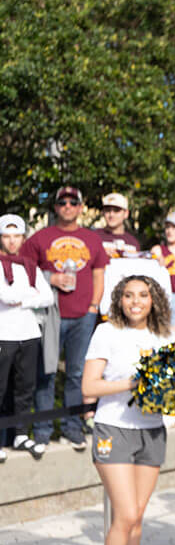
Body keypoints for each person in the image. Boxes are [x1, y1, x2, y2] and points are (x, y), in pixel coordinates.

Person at [80, 275, 172, 545]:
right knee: (125, 515)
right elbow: (89, 386)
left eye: (143, 295)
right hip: (114, 429)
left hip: (152, 430)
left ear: (154, 299)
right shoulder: (107, 332)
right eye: (129, 295)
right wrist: (134, 383)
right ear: (119, 299)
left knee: (136, 519)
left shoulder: (163, 335)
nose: (136, 301)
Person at [19, 186, 108, 452]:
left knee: (77, 374)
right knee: (45, 374)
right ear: (55, 207)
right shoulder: (40, 238)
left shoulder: (91, 239)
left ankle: (73, 427)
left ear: (81, 207)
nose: (68, 207)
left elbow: (98, 275)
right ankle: (43, 430)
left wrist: (94, 307)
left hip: (83, 315)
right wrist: (51, 278)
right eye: (62, 203)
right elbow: (24, 273)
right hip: (50, 316)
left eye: (73, 202)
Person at [0, 215, 53, 461]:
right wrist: (29, 296)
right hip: (4, 335)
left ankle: (21, 434)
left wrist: (25, 298)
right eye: (6, 236)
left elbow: (48, 298)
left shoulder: (30, 265)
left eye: (16, 236)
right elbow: (5, 296)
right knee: (1, 389)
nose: (12, 241)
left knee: (25, 388)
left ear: (23, 237)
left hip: (29, 334)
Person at [95, 193, 141, 259]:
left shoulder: (133, 243)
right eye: (108, 210)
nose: (111, 215)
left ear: (126, 213)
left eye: (116, 211)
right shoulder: (94, 237)